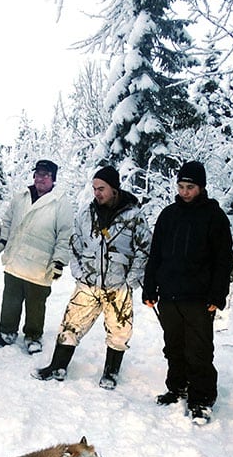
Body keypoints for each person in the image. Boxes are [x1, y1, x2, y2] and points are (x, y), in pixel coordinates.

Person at [33, 166, 151, 390]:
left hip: (119, 286)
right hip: (88, 283)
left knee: (119, 331)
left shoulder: (133, 216)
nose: (97, 193)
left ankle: (111, 373)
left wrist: (131, 280)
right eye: (95, 188)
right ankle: (57, 366)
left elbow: (145, 250)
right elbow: (75, 244)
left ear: (114, 189)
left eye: (102, 188)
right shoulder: (86, 214)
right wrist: (79, 272)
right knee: (70, 325)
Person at [142, 161, 233, 423]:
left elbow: (223, 260)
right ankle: (177, 387)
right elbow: (155, 254)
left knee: (199, 349)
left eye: (190, 187)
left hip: (199, 298)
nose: (184, 192)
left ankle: (202, 398)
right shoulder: (168, 215)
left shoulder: (214, 217)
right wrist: (150, 287)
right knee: (174, 346)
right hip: (170, 295)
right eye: (181, 186)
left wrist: (218, 295)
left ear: (201, 187)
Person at [0, 159, 73, 354]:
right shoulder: (21, 196)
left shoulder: (60, 202)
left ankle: (33, 336)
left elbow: (64, 234)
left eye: (46, 175)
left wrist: (58, 261)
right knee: (10, 299)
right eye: (38, 174)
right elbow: (7, 220)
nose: (40, 178)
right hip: (15, 259)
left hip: (39, 265)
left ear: (53, 179)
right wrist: (2, 242)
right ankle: (7, 332)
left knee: (36, 304)